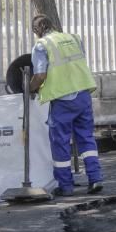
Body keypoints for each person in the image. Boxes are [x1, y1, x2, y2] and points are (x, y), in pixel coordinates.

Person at [29, 15, 103, 197]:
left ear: (37, 31)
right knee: (86, 138)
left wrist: (28, 88)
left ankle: (66, 186)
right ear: (52, 25)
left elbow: (40, 75)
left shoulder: (41, 45)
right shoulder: (74, 38)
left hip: (63, 100)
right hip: (83, 94)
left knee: (60, 141)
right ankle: (96, 179)